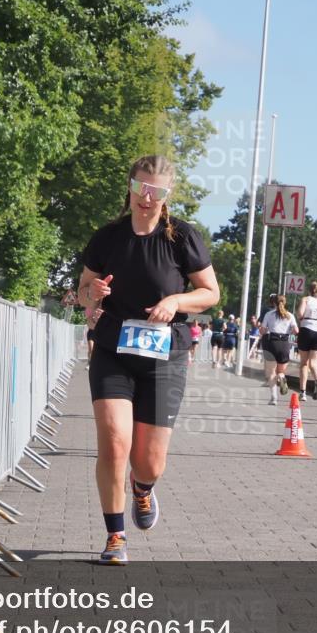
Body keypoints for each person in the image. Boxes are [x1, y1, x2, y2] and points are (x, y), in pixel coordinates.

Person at [78, 155, 219, 565]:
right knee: (114, 442)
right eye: (141, 188)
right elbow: (84, 290)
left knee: (149, 461)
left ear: (167, 196)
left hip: (164, 355)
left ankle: (143, 488)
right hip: (113, 350)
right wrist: (94, 294)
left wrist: (176, 300)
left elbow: (210, 292)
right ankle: (115, 536)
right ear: (130, 187)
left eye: (156, 192)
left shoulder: (182, 238)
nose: (146, 198)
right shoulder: (107, 238)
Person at [259, 295, 299, 405]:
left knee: (271, 372)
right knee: (280, 371)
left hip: (272, 343)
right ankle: (281, 377)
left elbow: (262, 331)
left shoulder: (269, 314)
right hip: (284, 343)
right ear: (285, 303)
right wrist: (289, 331)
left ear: (274, 303)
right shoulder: (290, 315)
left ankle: (274, 398)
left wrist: (265, 329)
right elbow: (296, 330)